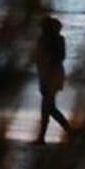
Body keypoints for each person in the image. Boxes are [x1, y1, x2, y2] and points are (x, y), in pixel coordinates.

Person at [34, 15, 71, 143]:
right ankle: (68, 132)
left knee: (47, 108)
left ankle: (43, 137)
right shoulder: (57, 39)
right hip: (49, 75)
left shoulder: (47, 40)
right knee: (49, 108)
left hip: (50, 76)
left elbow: (57, 57)